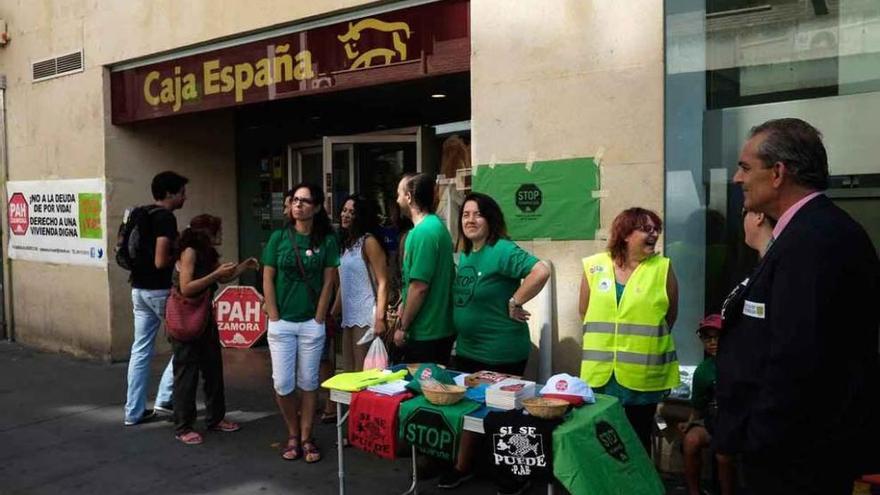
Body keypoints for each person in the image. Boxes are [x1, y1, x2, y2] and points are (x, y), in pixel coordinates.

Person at [715, 118, 880, 495]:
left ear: (777, 173)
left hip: (793, 459)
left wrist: (758, 440)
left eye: (744, 167)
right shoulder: (807, 232)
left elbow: (798, 357)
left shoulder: (816, 240)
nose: (738, 179)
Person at [437, 192, 550, 491]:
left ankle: (514, 474)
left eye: (477, 214)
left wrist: (516, 300)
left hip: (501, 351)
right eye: (465, 215)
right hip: (469, 349)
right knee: (469, 410)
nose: (470, 220)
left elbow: (541, 270)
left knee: (504, 415)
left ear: (491, 219)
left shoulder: (501, 249)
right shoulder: (468, 254)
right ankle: (464, 466)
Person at [578, 207, 680, 451]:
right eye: (647, 229)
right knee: (603, 438)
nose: (654, 234)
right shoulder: (593, 266)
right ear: (625, 234)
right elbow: (584, 312)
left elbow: (670, 317)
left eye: (657, 229)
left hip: (642, 376)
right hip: (600, 374)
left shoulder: (662, 268)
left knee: (638, 438)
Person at [262, 182, 339, 464]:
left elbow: (330, 281)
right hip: (281, 323)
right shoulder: (279, 238)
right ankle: (292, 432)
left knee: (308, 383)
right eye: (295, 200)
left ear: (317, 207)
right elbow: (267, 277)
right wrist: (273, 314)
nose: (298, 205)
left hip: (311, 324)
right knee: (283, 383)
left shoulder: (327, 241)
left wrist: (320, 317)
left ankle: (305, 437)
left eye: (305, 201)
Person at [170, 214, 258, 444]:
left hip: (205, 319)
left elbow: (224, 277)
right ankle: (183, 425)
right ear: (208, 233)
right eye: (218, 230)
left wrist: (242, 267)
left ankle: (215, 417)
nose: (222, 235)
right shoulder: (190, 251)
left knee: (213, 370)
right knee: (186, 374)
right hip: (187, 319)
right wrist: (215, 275)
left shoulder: (207, 253)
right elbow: (187, 287)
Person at [124, 171, 187, 426]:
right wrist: (182, 255)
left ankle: (133, 412)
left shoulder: (142, 213)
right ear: (170, 194)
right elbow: (161, 260)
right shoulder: (165, 218)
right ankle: (165, 398)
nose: (185, 197)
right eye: (182, 192)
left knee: (140, 350)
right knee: (185, 343)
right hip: (159, 291)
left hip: (138, 289)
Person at [393, 174, 455, 365]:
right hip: (439, 328)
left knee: (421, 391)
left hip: (426, 332)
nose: (397, 200)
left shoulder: (423, 232)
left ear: (409, 197)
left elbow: (419, 287)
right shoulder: (437, 227)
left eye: (399, 194)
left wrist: (403, 327)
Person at [332, 194, 390, 373]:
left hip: (366, 316)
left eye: (351, 212)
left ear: (361, 216)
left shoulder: (369, 242)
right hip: (349, 316)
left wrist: (380, 319)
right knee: (348, 372)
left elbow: (383, 281)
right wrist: (334, 311)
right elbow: (345, 283)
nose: (345, 215)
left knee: (362, 373)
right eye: (344, 210)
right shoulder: (348, 245)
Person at [679, 315, 735, 495]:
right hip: (714, 422)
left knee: (723, 454)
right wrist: (690, 422)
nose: (712, 342)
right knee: (691, 440)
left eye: (717, 337)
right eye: (707, 338)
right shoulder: (703, 371)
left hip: (736, 425)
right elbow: (697, 405)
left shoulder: (740, 364)